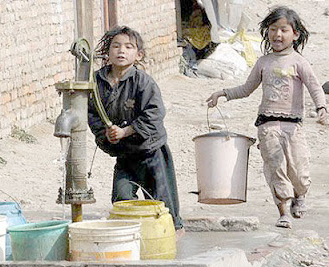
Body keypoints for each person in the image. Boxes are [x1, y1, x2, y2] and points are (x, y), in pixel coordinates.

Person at [206, 6, 327, 229]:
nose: (277, 35)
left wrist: (322, 107)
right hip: (267, 124)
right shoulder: (264, 63)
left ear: (295, 34)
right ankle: (283, 212)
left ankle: (300, 195)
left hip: (294, 127)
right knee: (275, 168)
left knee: (298, 171)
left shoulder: (299, 62)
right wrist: (222, 93)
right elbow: (246, 89)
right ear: (267, 32)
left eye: (283, 30)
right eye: (273, 29)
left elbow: (314, 86)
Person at [88, 26, 184, 236]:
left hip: (151, 151)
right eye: (116, 46)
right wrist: (105, 134)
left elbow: (154, 115)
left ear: (138, 55)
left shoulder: (143, 82)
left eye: (128, 47)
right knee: (122, 199)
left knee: (161, 202)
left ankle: (172, 235)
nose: (121, 51)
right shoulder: (97, 82)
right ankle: (132, 237)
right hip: (124, 154)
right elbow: (92, 113)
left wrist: (126, 131)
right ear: (108, 52)